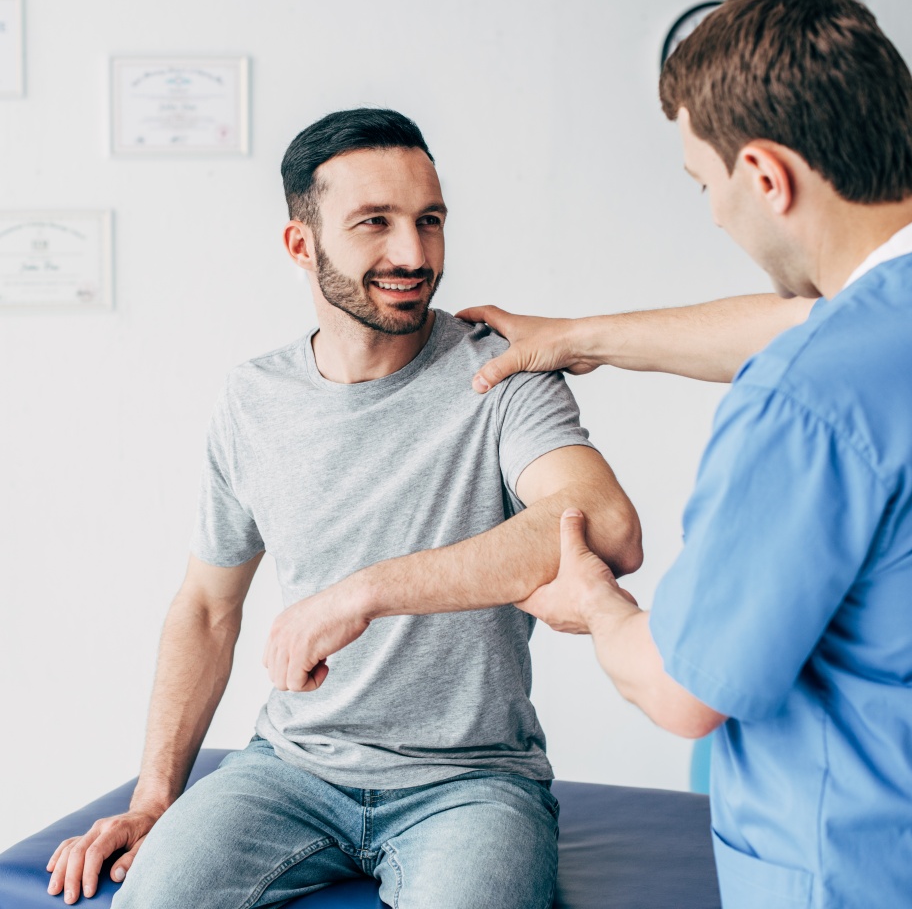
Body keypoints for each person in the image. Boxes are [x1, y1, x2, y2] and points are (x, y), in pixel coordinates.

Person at [45, 108, 642, 909]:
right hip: (289, 768)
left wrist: (363, 592)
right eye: (375, 224)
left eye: (429, 221)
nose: (413, 254)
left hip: (470, 781)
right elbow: (206, 607)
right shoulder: (253, 399)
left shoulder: (503, 373)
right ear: (302, 244)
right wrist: (155, 798)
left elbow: (603, 524)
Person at [460, 0, 912, 909]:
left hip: (856, 879)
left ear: (766, 176)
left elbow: (684, 689)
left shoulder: (810, 396)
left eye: (706, 184)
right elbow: (813, 327)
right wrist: (577, 336)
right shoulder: (909, 323)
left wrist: (596, 604)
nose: (716, 214)